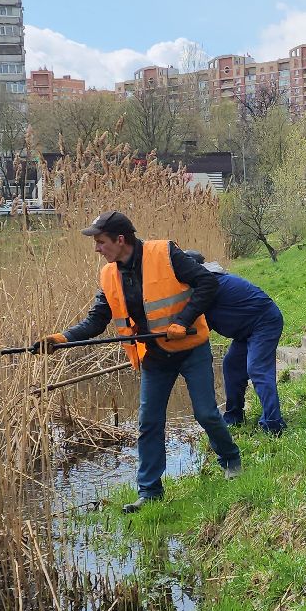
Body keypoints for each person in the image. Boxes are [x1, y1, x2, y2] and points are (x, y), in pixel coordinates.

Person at [38, 212, 240, 512]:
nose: (97, 249)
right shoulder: (109, 274)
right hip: (154, 356)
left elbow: (207, 283)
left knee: (206, 413)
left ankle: (231, 460)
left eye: (101, 242)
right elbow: (97, 320)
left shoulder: (165, 253)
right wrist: (62, 339)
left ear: (121, 240)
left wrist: (183, 320)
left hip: (190, 348)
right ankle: (149, 492)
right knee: (148, 423)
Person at [202, 266, 287, 434]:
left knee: (257, 368)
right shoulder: (204, 287)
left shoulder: (211, 286)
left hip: (265, 322)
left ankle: (273, 424)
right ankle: (234, 417)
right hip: (246, 329)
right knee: (231, 364)